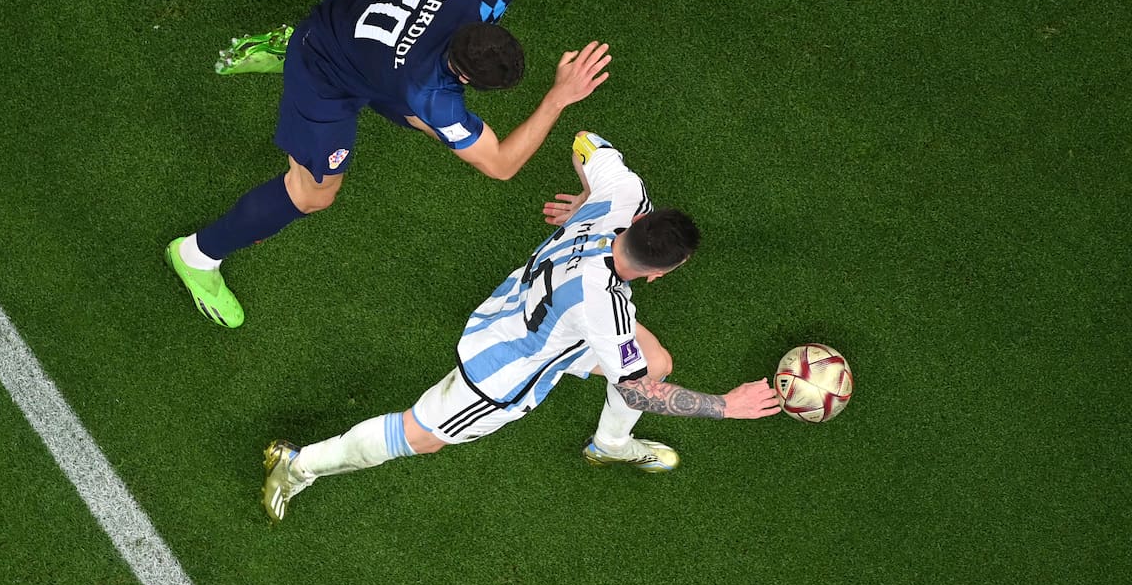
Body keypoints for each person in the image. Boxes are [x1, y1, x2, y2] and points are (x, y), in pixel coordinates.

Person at [166, 0, 611, 328]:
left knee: (415, 111)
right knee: (315, 192)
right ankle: (197, 256)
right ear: (465, 79)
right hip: (327, 69)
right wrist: (558, 96)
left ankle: (294, 42)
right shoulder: (432, 95)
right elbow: (501, 164)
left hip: (346, 20)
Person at [260, 131, 781, 522]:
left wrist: (585, 205)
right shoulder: (608, 309)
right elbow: (639, 393)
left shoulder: (623, 193)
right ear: (662, 272)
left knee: (657, 363)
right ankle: (301, 465)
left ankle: (610, 445)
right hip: (504, 366)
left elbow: (585, 142)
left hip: (549, 312)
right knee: (421, 436)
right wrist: (725, 406)